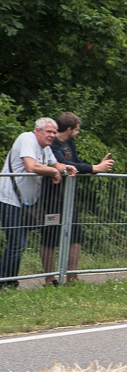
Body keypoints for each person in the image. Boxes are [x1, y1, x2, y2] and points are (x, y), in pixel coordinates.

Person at [1, 118, 77, 289]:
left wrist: (65, 169)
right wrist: (52, 172)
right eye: (48, 132)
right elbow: (30, 166)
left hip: (26, 202)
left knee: (18, 244)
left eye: (54, 132)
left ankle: (7, 280)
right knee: (17, 243)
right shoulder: (27, 138)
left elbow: (55, 163)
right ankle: (6, 282)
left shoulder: (45, 148)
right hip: (10, 198)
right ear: (38, 131)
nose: (52, 135)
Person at [41, 112, 114, 285]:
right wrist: (95, 168)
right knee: (50, 237)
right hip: (52, 197)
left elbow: (77, 163)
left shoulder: (70, 143)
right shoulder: (53, 145)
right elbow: (63, 165)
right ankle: (50, 279)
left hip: (69, 195)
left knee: (76, 236)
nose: (78, 133)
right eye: (77, 129)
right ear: (69, 129)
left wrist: (96, 166)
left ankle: (72, 277)